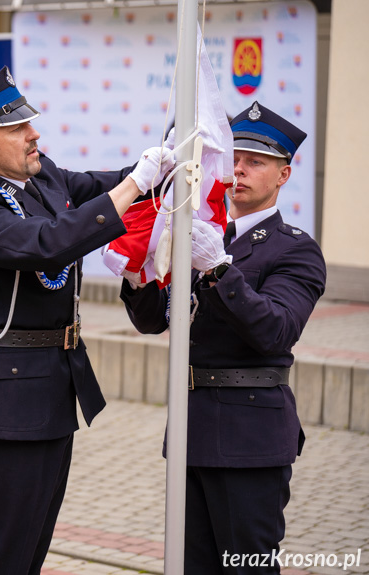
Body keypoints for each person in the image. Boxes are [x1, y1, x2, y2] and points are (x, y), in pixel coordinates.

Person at [0, 65, 174, 575]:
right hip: (8, 401)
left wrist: (163, 166)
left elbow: (102, 187)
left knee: (30, 550)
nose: (34, 134)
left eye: (31, 123)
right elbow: (49, 244)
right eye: (18, 129)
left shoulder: (43, 178)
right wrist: (137, 182)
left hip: (50, 388)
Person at [120, 101, 326, 574]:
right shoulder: (201, 231)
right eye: (234, 158)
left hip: (249, 431)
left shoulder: (294, 249)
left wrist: (220, 269)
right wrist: (138, 270)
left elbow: (275, 330)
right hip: (193, 426)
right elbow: (156, 321)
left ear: (283, 175)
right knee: (194, 565)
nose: (239, 169)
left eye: (256, 162)